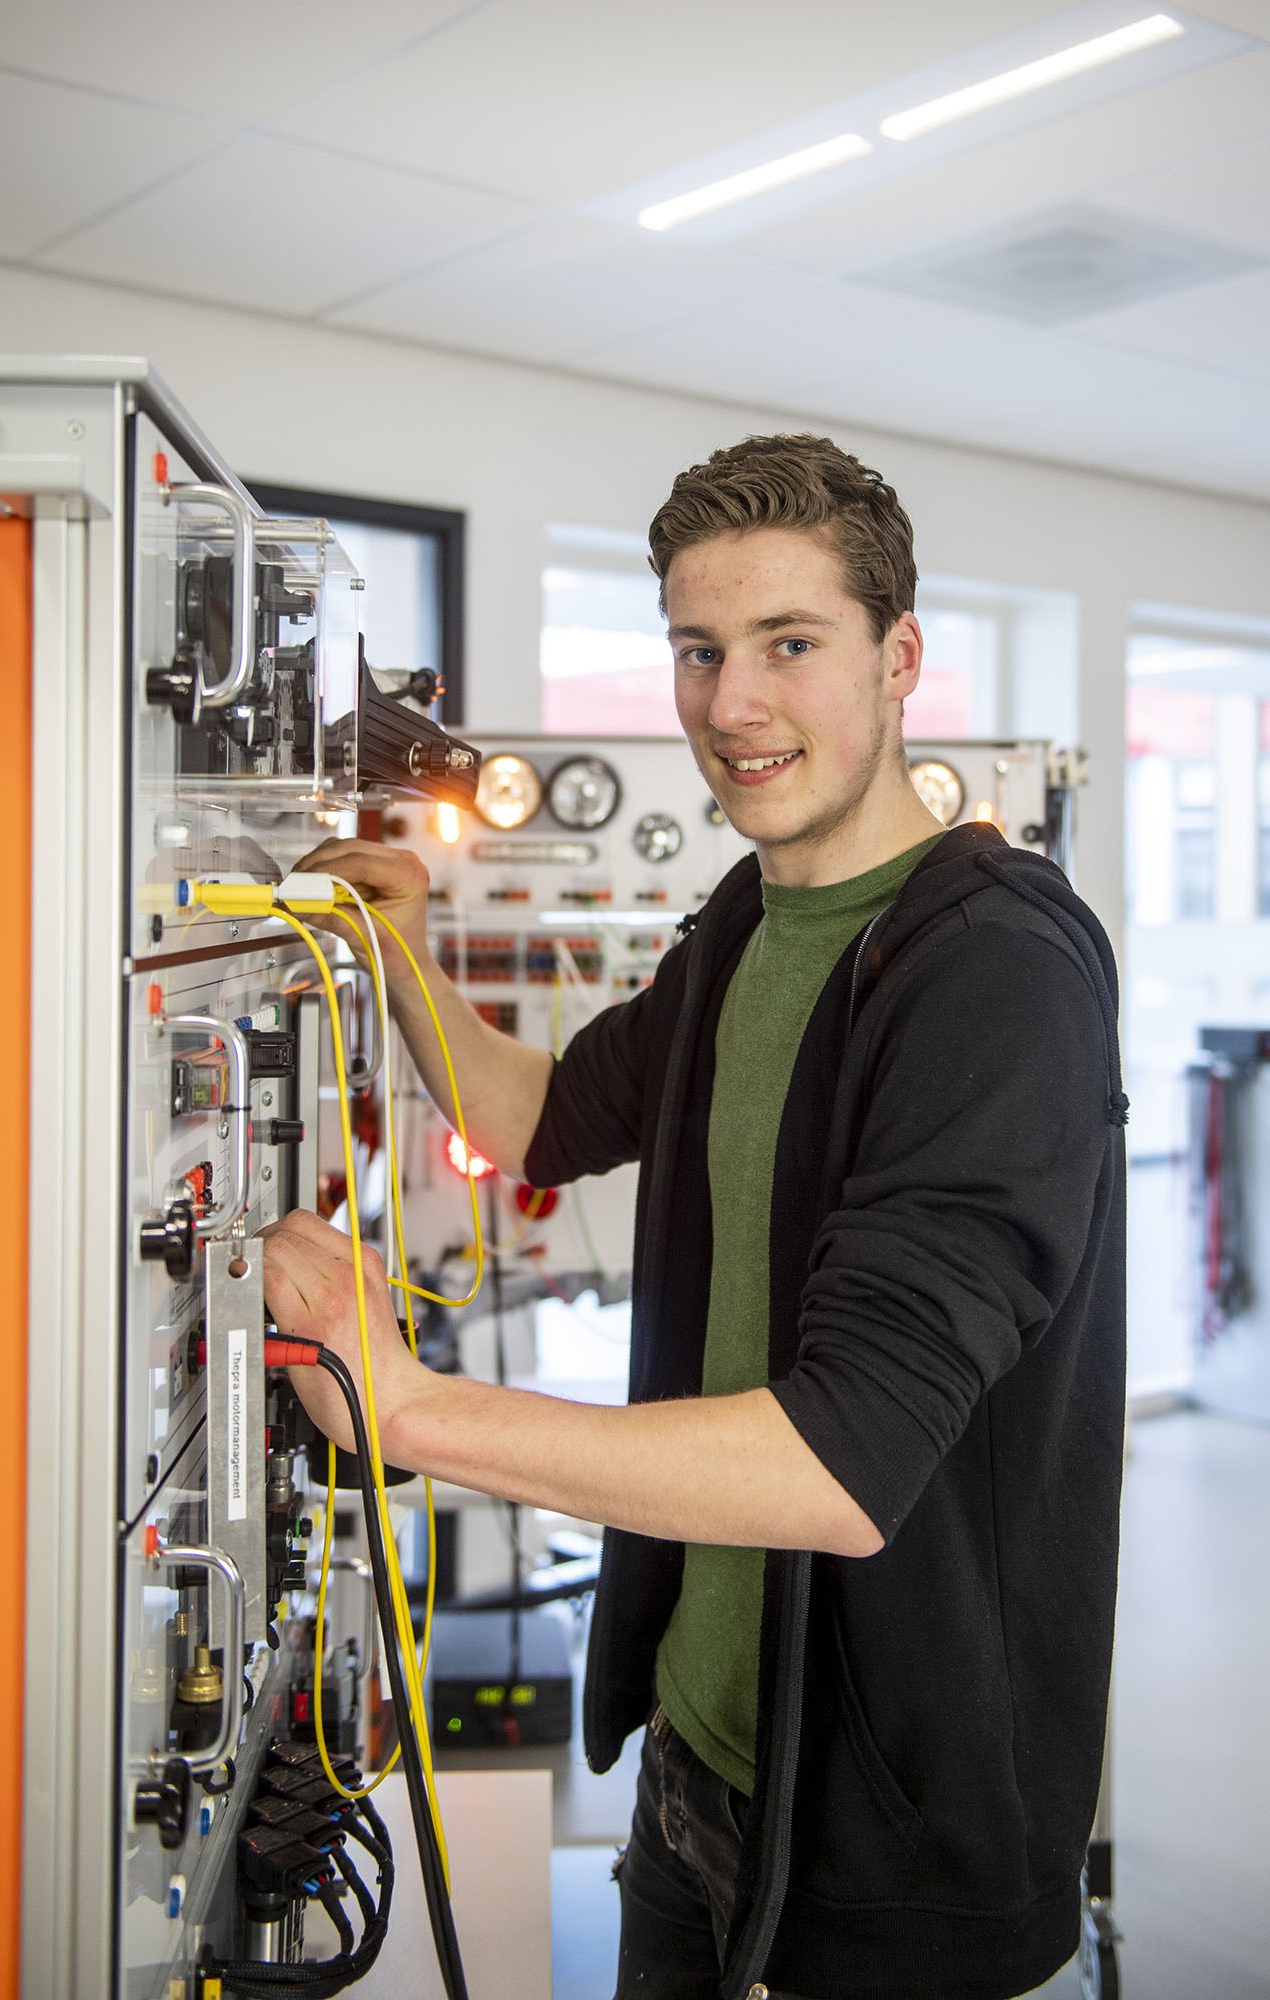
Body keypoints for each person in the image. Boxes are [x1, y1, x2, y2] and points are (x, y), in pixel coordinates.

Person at [263, 433, 1127, 2000]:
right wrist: (392, 953)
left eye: (789, 646)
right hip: (697, 1768)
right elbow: (538, 1120)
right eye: (699, 651)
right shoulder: (746, 921)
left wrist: (406, 1407)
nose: (731, 707)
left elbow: (835, 1463)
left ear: (898, 656)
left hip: (893, 1847)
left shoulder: (990, 973)